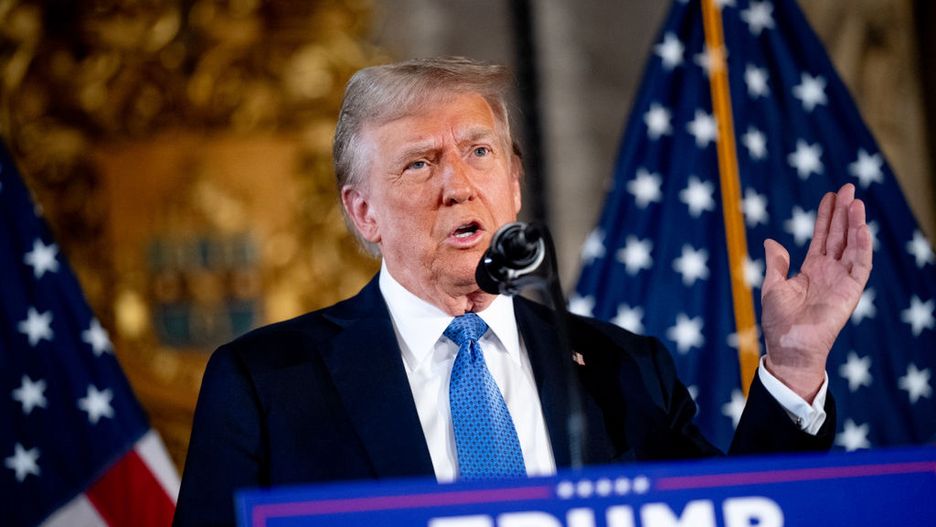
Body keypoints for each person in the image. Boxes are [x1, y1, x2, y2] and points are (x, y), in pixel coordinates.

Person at [173, 57, 872, 526]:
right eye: (420, 163)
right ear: (364, 212)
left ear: (513, 181)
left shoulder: (621, 368)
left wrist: (795, 366)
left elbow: (736, 512)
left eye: (478, 152)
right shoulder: (267, 384)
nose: (457, 183)